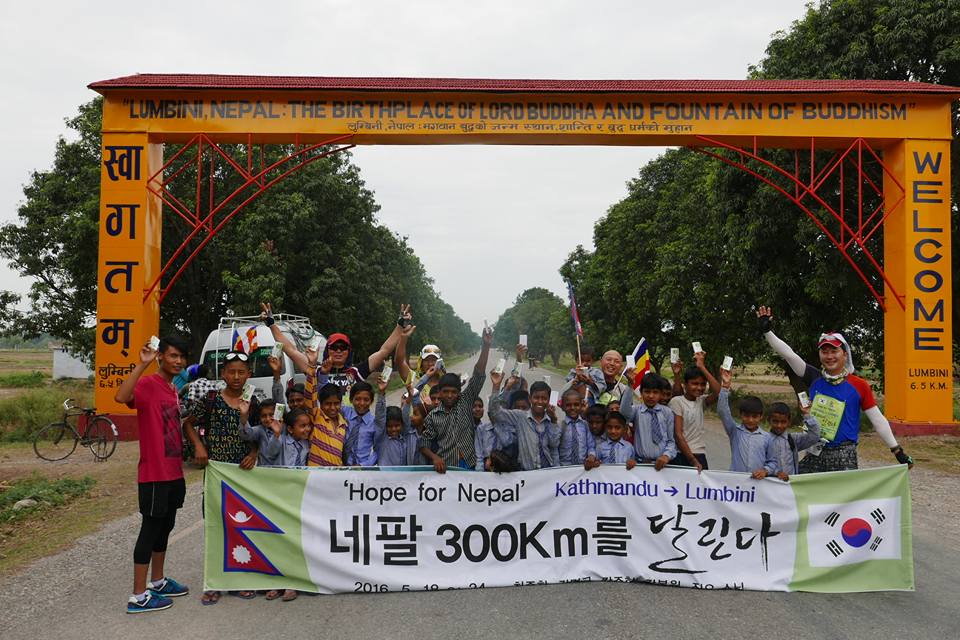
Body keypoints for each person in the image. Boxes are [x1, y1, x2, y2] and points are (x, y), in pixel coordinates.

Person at [756, 306, 913, 471]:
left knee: (843, 498)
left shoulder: (859, 385)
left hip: (844, 455)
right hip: (814, 451)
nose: (829, 356)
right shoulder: (814, 377)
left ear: (845, 354)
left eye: (834, 351)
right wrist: (767, 332)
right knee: (802, 494)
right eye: (824, 352)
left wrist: (897, 450)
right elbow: (789, 355)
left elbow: (877, 419)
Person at [115, 336, 200, 614]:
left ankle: (158, 581)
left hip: (173, 470)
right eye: (172, 356)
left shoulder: (171, 387)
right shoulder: (148, 384)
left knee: (166, 527)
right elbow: (121, 397)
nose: (178, 361)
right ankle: (138, 597)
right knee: (150, 531)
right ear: (161, 356)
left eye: (181, 357)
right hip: (153, 473)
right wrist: (142, 364)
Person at [183, 351, 259, 604]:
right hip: (217, 473)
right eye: (231, 372)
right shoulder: (211, 399)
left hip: (244, 474)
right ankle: (213, 581)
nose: (236, 377)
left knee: (242, 525)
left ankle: (239, 579)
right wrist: (199, 447)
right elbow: (188, 423)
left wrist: (255, 452)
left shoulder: (254, 399)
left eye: (241, 372)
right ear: (223, 374)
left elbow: (263, 432)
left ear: (249, 374)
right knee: (216, 526)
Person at [261, 301, 413, 396]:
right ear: (328, 350)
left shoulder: (356, 373)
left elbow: (384, 351)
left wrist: (400, 325)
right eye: (334, 347)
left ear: (349, 351)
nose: (339, 351)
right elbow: (291, 350)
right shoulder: (317, 370)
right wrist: (271, 324)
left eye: (343, 347)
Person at [418, 326, 493, 472]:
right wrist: (435, 458)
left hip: (471, 466)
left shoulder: (465, 402)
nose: (450, 395)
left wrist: (486, 346)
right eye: (446, 392)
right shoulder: (433, 416)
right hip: (447, 470)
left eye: (454, 392)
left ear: (459, 392)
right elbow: (423, 444)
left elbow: (478, 374)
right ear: (439, 393)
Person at [489, 372, 560, 470]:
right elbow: (495, 413)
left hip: (547, 473)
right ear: (530, 399)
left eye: (544, 398)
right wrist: (496, 387)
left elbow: (554, 444)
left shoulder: (551, 420)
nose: (539, 401)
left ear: (548, 400)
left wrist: (554, 420)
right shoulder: (520, 416)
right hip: (527, 474)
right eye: (536, 397)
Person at [669, 353, 720, 472]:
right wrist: (692, 460)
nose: (699, 387)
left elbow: (718, 392)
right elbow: (678, 434)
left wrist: (702, 366)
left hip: (699, 453)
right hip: (681, 454)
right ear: (685, 384)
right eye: (695, 383)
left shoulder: (701, 401)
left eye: (703, 384)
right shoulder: (677, 402)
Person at [718, 368, 776, 473]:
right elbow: (723, 411)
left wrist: (765, 471)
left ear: (761, 416)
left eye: (754, 416)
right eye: (746, 416)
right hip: (736, 482)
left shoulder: (767, 438)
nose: (750, 420)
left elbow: (773, 462)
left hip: (757, 484)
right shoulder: (734, 431)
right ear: (741, 415)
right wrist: (725, 387)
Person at [618, 373, 677, 470]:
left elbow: (671, 440)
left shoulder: (667, 412)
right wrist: (630, 386)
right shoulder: (636, 411)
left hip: (662, 465)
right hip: (640, 463)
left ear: (661, 394)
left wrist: (666, 456)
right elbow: (623, 412)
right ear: (641, 392)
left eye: (655, 392)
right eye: (647, 392)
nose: (651, 396)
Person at [752, 402, 821, 482]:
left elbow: (814, 436)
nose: (779, 425)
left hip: (790, 487)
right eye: (775, 421)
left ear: (789, 422)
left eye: (783, 422)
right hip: (769, 486)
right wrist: (775, 472)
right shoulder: (763, 440)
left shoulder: (793, 439)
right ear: (769, 420)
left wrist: (807, 415)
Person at [372, 376, 421, 466]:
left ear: (402, 425)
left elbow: (405, 418)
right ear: (385, 426)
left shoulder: (403, 436)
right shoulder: (382, 437)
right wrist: (381, 392)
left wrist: (408, 400)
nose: (394, 429)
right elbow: (380, 417)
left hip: (401, 478)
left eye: (397, 425)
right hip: (385, 478)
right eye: (390, 426)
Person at [558, 388, 594, 466]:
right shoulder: (560, 426)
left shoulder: (585, 425)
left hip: (582, 468)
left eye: (576, 404)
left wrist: (591, 456)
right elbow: (555, 448)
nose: (572, 408)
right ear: (562, 407)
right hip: (564, 467)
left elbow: (591, 445)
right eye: (568, 405)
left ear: (581, 405)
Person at [473, 397, 498, 471]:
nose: (478, 409)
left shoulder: (484, 429)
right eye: (474, 406)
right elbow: (479, 456)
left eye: (480, 406)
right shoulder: (481, 429)